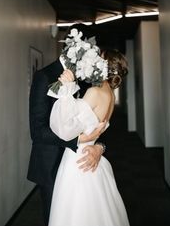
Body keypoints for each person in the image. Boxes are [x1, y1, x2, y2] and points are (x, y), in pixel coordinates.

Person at [27, 24, 106, 226]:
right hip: (51, 165)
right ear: (76, 48)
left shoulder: (86, 80)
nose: (92, 58)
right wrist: (78, 140)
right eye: (90, 52)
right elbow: (37, 131)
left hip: (78, 166)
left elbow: (95, 124)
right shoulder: (44, 77)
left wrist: (100, 147)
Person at [48, 49, 130, 226]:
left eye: (97, 59)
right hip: (90, 154)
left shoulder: (95, 92)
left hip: (77, 159)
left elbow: (65, 129)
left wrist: (66, 90)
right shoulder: (109, 94)